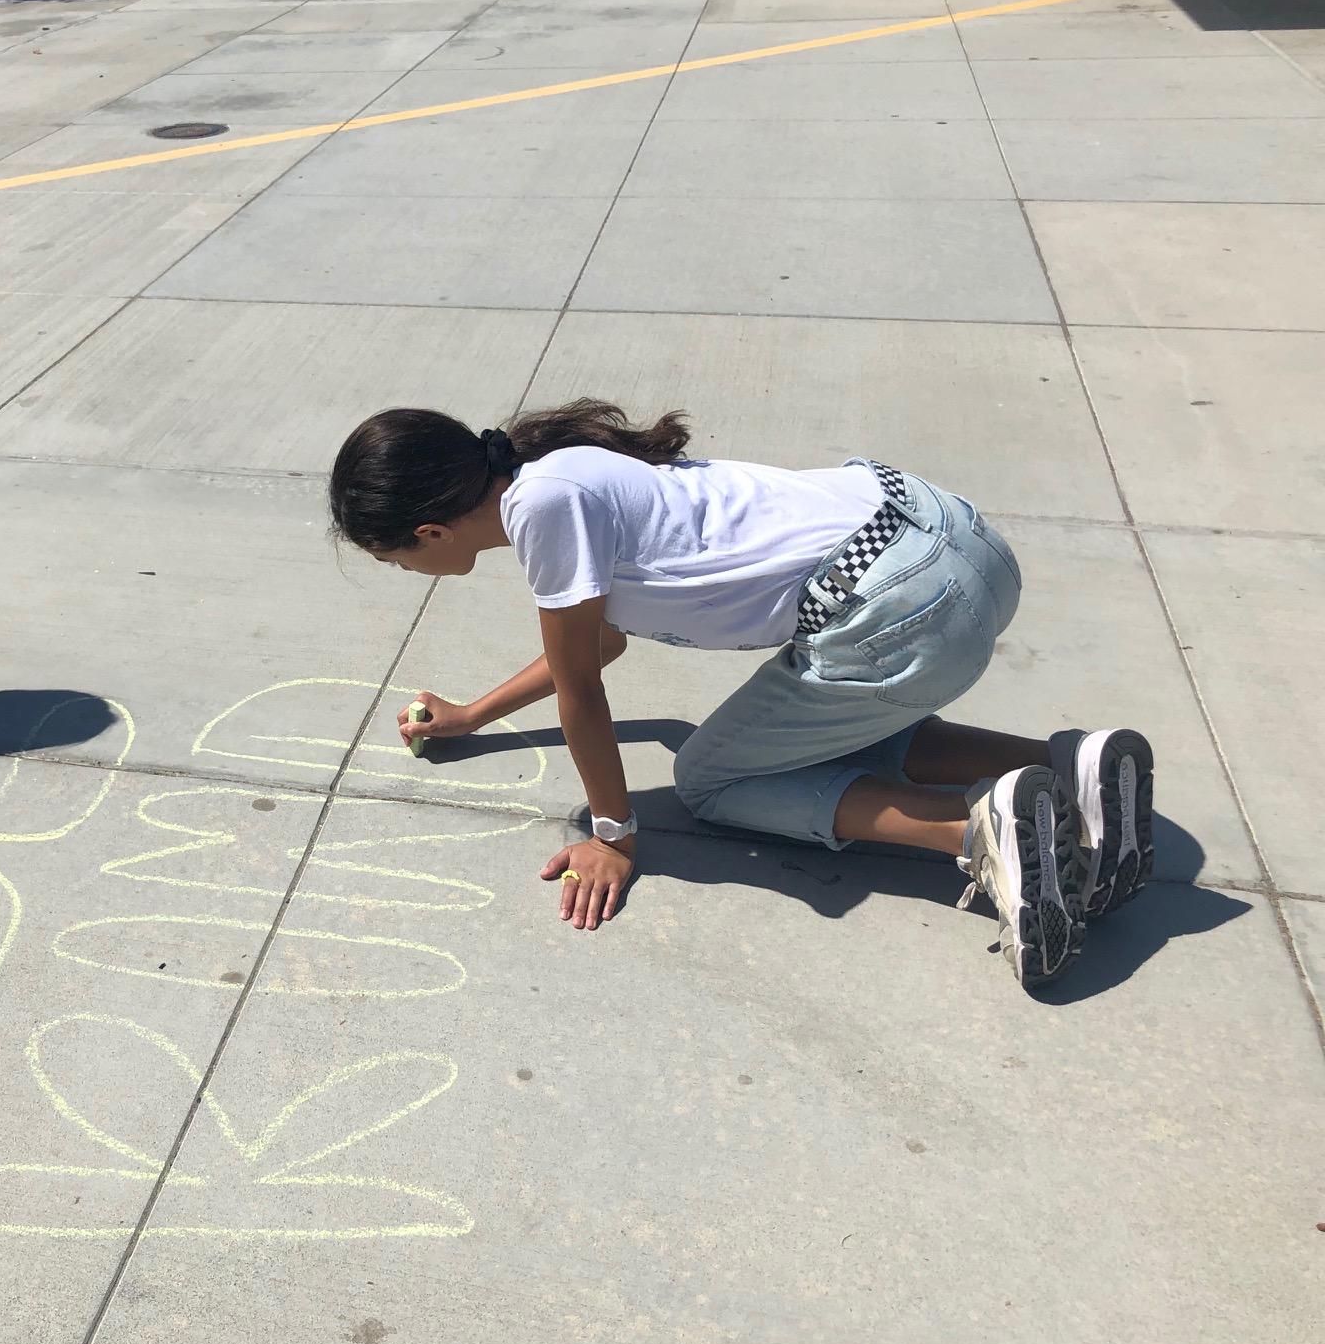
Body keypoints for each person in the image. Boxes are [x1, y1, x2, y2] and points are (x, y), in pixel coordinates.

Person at [327, 400, 1154, 991]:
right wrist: (475, 715)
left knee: (713, 781)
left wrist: (613, 832)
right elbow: (600, 643)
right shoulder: (551, 469)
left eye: (390, 558)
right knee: (822, 731)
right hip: (948, 540)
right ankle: (1065, 770)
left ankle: (979, 832)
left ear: (429, 532)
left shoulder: (544, 510)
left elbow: (583, 688)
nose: (401, 572)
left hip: (900, 602)